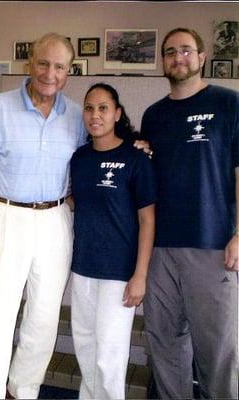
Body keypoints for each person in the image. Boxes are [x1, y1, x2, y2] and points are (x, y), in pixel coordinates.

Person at [0, 32, 86, 399]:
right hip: (4, 218)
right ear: (29, 65)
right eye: (43, 63)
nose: (50, 73)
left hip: (54, 222)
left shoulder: (78, 117)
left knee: (43, 319)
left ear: (69, 72)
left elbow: (87, 168)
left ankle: (24, 390)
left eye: (59, 67)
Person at [141, 27, 239, 399]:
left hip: (212, 246)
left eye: (186, 50)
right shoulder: (154, 115)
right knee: (165, 347)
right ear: (163, 61)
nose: (178, 57)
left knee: (218, 352)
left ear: (201, 57)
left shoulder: (229, 103)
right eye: (170, 52)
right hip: (160, 249)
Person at [70, 83, 155, 399]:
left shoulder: (136, 159)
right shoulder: (79, 158)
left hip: (119, 274)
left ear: (117, 113)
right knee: (87, 349)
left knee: (109, 358)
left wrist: (140, 276)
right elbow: (75, 200)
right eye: (89, 108)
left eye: (103, 108)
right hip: (83, 269)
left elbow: (148, 219)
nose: (95, 115)